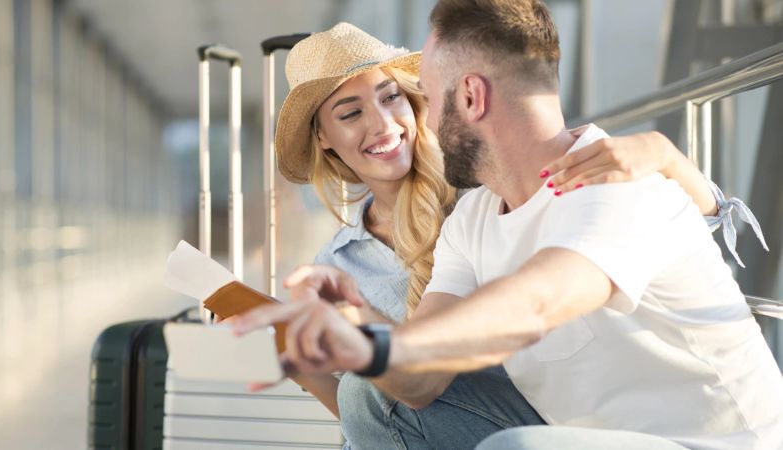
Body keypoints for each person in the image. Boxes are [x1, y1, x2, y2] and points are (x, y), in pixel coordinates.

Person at [237, 5, 781, 450]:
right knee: (370, 396)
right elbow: (421, 383)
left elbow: (535, 304)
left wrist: (669, 156)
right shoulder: (473, 221)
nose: (414, 116)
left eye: (420, 92)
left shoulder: (618, 184)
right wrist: (360, 327)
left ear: (471, 96)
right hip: (583, 438)